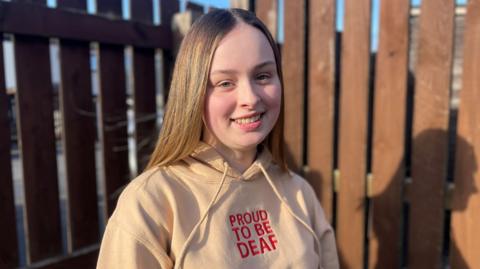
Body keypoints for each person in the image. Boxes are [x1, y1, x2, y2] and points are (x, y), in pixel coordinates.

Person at [96, 8, 339, 269]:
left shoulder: (299, 194)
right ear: (192, 91)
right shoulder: (150, 202)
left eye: (263, 76)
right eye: (225, 83)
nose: (251, 98)